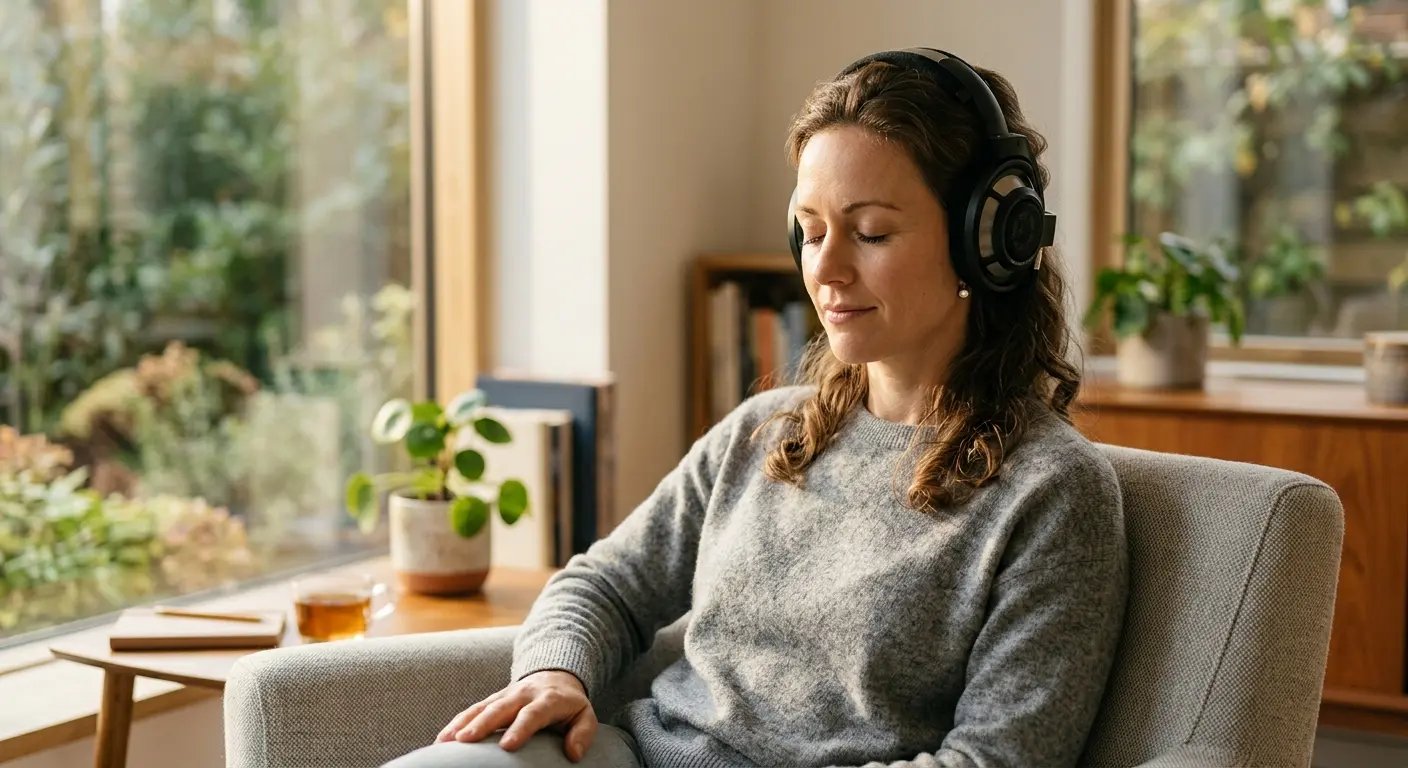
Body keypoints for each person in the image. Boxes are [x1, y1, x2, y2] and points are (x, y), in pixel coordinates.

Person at [384, 47, 1127, 768]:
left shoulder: (1052, 492)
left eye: (871, 232)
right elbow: (604, 583)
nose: (826, 270)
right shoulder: (765, 431)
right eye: (810, 231)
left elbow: (998, 757)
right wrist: (555, 674)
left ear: (988, 240)